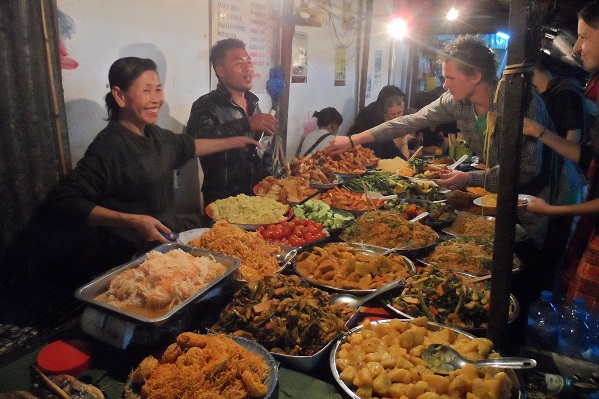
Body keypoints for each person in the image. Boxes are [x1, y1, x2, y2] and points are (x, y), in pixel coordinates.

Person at [326, 35, 577, 249]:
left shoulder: (518, 100)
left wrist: (470, 179)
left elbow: (527, 168)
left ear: (475, 76)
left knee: (536, 268)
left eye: (450, 78)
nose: (444, 85)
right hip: (506, 193)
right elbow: (410, 121)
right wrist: (352, 139)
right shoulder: (456, 101)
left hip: (551, 195)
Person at [38, 57, 261, 285]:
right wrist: (133, 221)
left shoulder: (156, 135)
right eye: (146, 90)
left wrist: (237, 140)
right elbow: (64, 200)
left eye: (158, 90)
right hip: (130, 259)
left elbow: (191, 146)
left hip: (166, 247)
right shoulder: (109, 146)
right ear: (119, 96)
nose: (156, 100)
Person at [523, 0, 599, 312]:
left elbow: (578, 151)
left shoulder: (566, 91)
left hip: (571, 194)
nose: (578, 47)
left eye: (584, 36)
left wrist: (552, 210)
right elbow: (587, 155)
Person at [186, 38, 276, 207]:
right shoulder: (206, 104)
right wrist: (245, 124)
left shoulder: (253, 104)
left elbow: (263, 149)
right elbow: (195, 141)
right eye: (238, 63)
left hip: (257, 200)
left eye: (249, 61)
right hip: (223, 202)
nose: (247, 68)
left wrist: (269, 183)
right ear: (221, 71)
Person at [360, 95, 413, 159]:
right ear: (385, 115)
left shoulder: (406, 126)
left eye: (399, 113)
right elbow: (404, 161)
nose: (396, 117)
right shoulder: (383, 131)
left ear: (403, 111)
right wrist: (405, 140)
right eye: (392, 114)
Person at [410, 90, 457, 156]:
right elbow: (416, 144)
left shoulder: (448, 122)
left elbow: (440, 150)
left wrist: (422, 149)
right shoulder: (421, 123)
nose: (419, 113)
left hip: (446, 161)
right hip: (423, 160)